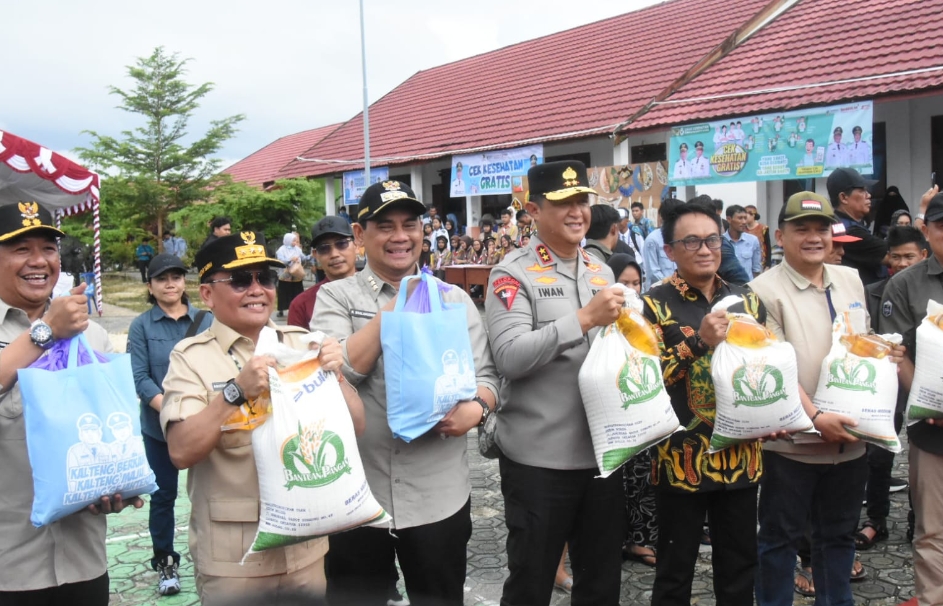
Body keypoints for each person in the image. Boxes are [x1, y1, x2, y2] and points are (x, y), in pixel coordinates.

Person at [313, 179, 498, 606]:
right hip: (358, 497)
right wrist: (393, 314)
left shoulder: (453, 300)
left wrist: (479, 408)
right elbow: (331, 375)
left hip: (437, 495)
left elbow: (489, 376)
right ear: (360, 236)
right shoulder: (335, 297)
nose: (400, 237)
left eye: (410, 225)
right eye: (385, 226)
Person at [160, 231, 364, 605]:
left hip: (305, 547)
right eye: (240, 280)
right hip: (236, 558)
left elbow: (356, 427)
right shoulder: (189, 357)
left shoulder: (302, 343)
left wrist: (336, 375)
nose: (256, 289)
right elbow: (181, 451)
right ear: (207, 294)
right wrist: (235, 393)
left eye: (265, 278)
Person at [749, 191, 904, 606]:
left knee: (837, 539)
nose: (814, 237)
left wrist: (886, 352)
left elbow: (859, 343)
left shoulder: (850, 279)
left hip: (851, 444)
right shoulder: (762, 291)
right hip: (794, 447)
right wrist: (816, 416)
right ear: (780, 236)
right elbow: (772, 366)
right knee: (779, 542)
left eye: (822, 229)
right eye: (802, 229)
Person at [485, 160, 626, 606]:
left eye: (582, 200)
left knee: (601, 582)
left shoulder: (600, 271)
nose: (577, 211)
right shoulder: (512, 274)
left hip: (603, 454)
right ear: (532, 209)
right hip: (539, 461)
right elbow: (510, 358)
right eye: (563, 202)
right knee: (531, 583)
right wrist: (583, 319)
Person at [0, 201, 143, 605]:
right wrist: (45, 333)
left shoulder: (92, 335)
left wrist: (113, 487)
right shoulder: (53, 329)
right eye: (21, 248)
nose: (39, 261)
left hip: (84, 563)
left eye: (48, 248)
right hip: (10, 568)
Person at [642, 202, 767, 606]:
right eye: (691, 241)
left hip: (740, 455)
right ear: (669, 249)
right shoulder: (653, 306)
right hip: (681, 460)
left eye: (711, 239)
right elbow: (644, 381)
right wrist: (698, 343)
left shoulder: (746, 300)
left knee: (739, 568)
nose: (704, 249)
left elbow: (766, 367)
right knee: (675, 572)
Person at [128, 253, 213, 596]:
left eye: (176, 277)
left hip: (204, 424)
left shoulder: (206, 320)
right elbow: (140, 378)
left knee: (211, 492)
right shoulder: (141, 326)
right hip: (159, 429)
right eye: (162, 279)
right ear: (150, 286)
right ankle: (166, 562)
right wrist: (172, 412)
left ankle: (214, 554)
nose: (170, 284)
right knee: (163, 496)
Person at [879, 189, 943, 606]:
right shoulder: (905, 285)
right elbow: (894, 351)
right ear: (925, 230)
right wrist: (928, 399)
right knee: (934, 527)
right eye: (941, 227)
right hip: (933, 426)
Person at [855, 226, 926, 551]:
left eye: (908, 256)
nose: (901, 262)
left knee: (922, 458)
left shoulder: (931, 289)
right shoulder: (871, 292)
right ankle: (875, 521)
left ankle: (918, 520)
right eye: (895, 256)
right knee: (880, 456)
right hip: (884, 387)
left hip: (925, 386)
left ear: (923, 256)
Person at [605, 253, 654, 565]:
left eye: (637, 283)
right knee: (614, 483)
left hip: (642, 404)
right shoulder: (602, 317)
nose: (632, 289)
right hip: (612, 408)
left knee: (642, 476)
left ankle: (641, 539)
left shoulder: (645, 314)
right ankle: (614, 540)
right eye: (625, 283)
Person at [287, 217, 356, 330]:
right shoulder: (301, 305)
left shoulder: (381, 291)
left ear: (356, 245)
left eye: (342, 244)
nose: (334, 254)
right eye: (324, 248)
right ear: (315, 255)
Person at [828, 167, 888, 285]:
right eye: (862, 191)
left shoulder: (847, 224)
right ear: (844, 197)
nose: (868, 195)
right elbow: (896, 253)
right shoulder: (847, 231)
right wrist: (921, 213)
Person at [642, 198, 683, 289]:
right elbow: (653, 272)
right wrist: (673, 284)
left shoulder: (680, 237)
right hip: (660, 290)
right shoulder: (653, 240)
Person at [723, 205, 762, 278]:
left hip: (747, 287)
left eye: (745, 218)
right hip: (728, 287)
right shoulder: (721, 241)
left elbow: (756, 269)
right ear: (729, 219)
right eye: (740, 218)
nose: (744, 222)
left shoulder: (753, 241)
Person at [275, 232, 307, 318]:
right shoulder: (281, 250)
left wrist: (307, 257)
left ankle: (298, 308)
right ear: (288, 240)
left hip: (296, 273)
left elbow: (303, 257)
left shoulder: (297, 249)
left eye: (296, 241)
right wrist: (290, 259)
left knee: (297, 291)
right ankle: (281, 309)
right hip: (285, 274)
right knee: (284, 291)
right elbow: (280, 261)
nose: (295, 243)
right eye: (293, 241)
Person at [744, 205, 772, 269]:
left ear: (753, 215)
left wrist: (768, 264)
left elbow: (768, 246)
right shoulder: (742, 229)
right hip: (746, 262)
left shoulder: (763, 228)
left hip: (760, 263)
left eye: (747, 214)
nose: (745, 217)